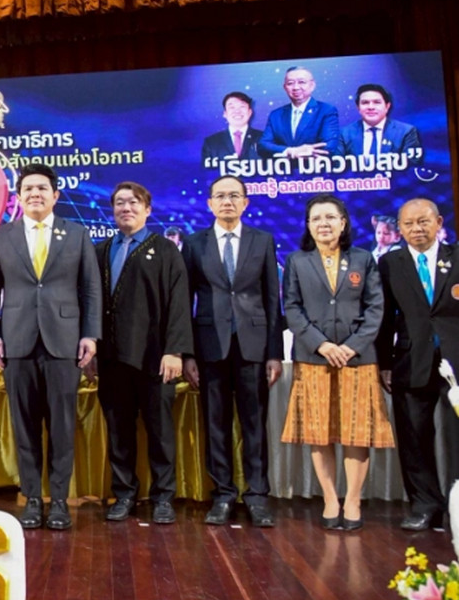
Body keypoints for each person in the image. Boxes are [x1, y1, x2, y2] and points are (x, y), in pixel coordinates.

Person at [0, 162, 101, 531]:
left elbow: (90, 289)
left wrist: (90, 335)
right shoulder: (2, 236)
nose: (35, 193)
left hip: (64, 343)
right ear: (19, 197)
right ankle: (32, 498)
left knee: (62, 426)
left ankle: (59, 501)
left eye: (42, 188)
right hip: (16, 343)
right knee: (25, 426)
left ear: (55, 195)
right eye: (28, 189)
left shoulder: (76, 234)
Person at [281, 194, 393, 530]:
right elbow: (292, 309)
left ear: (343, 223)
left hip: (357, 360)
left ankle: (353, 500)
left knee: (356, 434)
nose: (324, 224)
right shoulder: (297, 261)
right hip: (313, 359)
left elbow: (376, 308)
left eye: (330, 217)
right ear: (308, 225)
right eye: (316, 218)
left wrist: (351, 347)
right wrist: (322, 345)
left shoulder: (363, 259)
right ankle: (330, 499)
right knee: (319, 433)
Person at [182, 176, 283, 527]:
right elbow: (185, 301)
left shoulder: (262, 240)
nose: (227, 201)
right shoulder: (194, 243)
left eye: (234, 196)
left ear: (245, 202)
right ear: (210, 203)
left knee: (255, 425)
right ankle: (223, 495)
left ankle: (257, 496)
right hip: (210, 346)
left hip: (253, 346)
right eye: (220, 196)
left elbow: (272, 299)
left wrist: (274, 352)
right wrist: (187, 354)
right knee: (216, 425)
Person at [95, 182, 191, 524]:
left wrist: (175, 350)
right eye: (120, 202)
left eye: (134, 202)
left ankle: (163, 497)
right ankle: (124, 495)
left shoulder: (166, 250)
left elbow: (179, 303)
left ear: (148, 209)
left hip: (155, 359)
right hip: (111, 359)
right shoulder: (101, 251)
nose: (126, 208)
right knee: (119, 431)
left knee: (160, 432)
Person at [377, 198, 459, 531]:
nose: (416, 229)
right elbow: (384, 318)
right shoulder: (390, 263)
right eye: (408, 224)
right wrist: (384, 363)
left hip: (456, 360)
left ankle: (457, 505)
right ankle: (425, 505)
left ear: (438, 223)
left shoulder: (457, 257)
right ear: (400, 229)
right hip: (411, 360)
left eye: (423, 222)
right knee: (413, 437)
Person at [258, 67, 340, 158]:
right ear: (284, 87)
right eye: (290, 83)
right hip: (283, 166)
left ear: (312, 85)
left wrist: (302, 153)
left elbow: (329, 146)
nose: (296, 87)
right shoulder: (276, 115)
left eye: (301, 82)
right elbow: (263, 146)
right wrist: (290, 151)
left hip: (314, 166)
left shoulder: (326, 110)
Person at [339, 84, 422, 160]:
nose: (371, 107)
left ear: (387, 106)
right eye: (365, 103)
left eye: (377, 102)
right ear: (358, 107)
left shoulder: (406, 132)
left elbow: (412, 165)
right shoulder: (344, 134)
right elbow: (338, 166)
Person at [201, 91, 263, 161]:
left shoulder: (265, 139)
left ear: (250, 112)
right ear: (225, 114)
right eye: (232, 107)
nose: (237, 111)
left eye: (242, 107)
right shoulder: (211, 142)